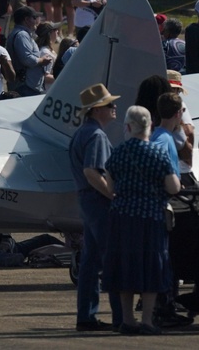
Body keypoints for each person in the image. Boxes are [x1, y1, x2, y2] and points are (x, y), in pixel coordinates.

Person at [102, 105, 180, 335]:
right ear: (151, 126)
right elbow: (173, 187)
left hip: (123, 217)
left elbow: (110, 185)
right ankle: (147, 320)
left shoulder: (119, 152)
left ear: (128, 126)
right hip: (150, 217)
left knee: (125, 266)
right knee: (150, 267)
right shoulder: (158, 153)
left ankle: (128, 320)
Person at [68, 83, 122, 332]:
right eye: (110, 104)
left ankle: (86, 316)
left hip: (86, 201)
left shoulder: (82, 133)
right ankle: (121, 316)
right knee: (111, 258)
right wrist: (112, 194)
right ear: (97, 109)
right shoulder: (97, 136)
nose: (114, 108)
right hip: (98, 201)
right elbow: (92, 171)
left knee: (90, 262)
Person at [5, 6, 52, 97]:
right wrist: (42, 60)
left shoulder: (22, 34)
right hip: (25, 86)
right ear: (26, 19)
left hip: (26, 86)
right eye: (34, 18)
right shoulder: (22, 35)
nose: (37, 20)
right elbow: (27, 59)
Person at [150, 92, 184, 180]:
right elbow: (155, 162)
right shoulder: (163, 138)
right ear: (178, 113)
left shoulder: (160, 134)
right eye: (182, 110)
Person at [35, 21, 61, 91]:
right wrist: (63, 78)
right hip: (48, 90)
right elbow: (45, 77)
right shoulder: (45, 52)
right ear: (49, 34)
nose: (57, 31)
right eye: (55, 30)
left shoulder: (47, 50)